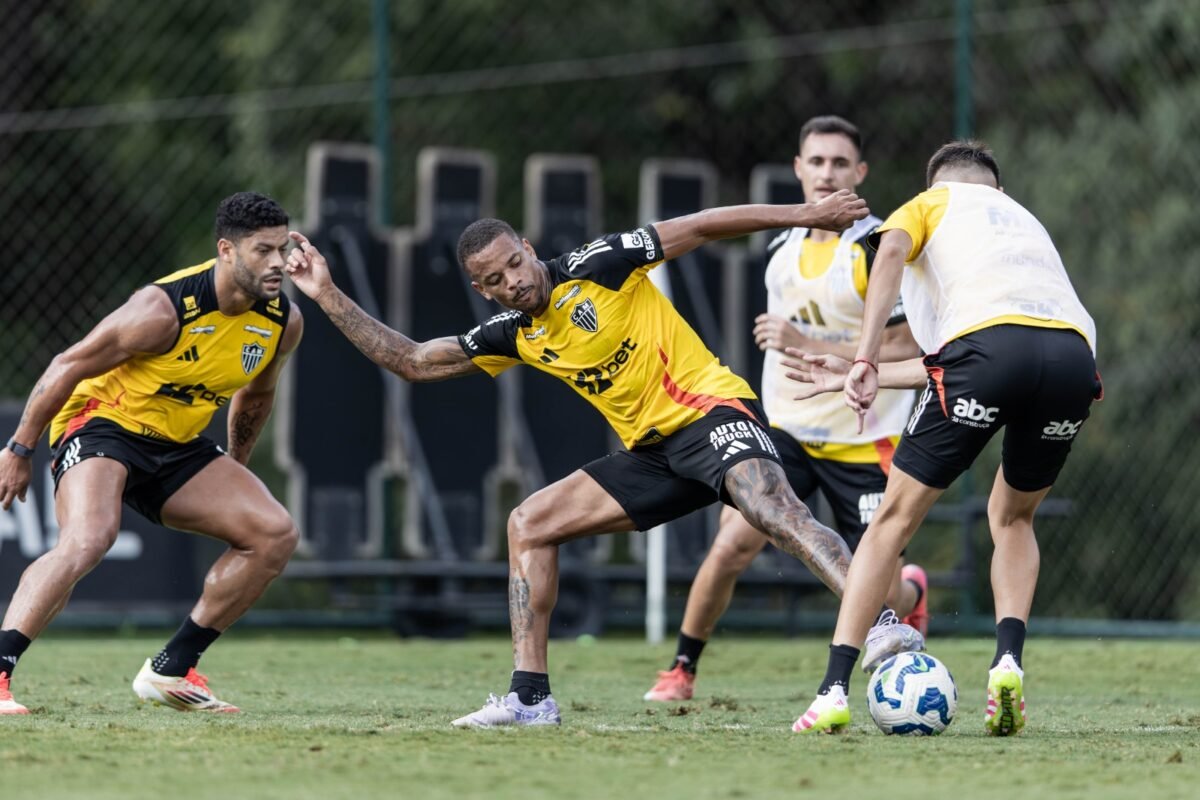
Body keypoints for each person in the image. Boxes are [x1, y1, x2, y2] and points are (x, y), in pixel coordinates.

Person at [283, 190, 925, 728]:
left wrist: (807, 213)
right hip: (652, 455)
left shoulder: (599, 264)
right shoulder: (515, 334)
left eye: (515, 263)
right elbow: (413, 361)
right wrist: (326, 293)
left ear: (527, 248)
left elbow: (703, 225)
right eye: (495, 280)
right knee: (528, 524)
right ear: (482, 290)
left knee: (772, 509)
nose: (513, 281)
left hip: (710, 414)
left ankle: (880, 622)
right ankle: (530, 698)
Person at [792, 141, 1100, 736]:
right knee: (1013, 517)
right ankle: (1007, 662)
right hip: (1072, 361)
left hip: (988, 353)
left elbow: (894, 257)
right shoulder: (1023, 222)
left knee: (891, 523)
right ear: (998, 190)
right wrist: (867, 371)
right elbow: (964, 361)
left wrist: (864, 358)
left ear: (937, 186)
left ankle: (832, 690)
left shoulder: (930, 205)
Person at [643, 115, 928, 704]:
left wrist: (807, 343)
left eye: (840, 163)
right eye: (816, 161)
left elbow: (907, 348)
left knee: (879, 591)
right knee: (730, 545)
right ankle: (680, 669)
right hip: (787, 430)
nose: (827, 173)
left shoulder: (875, 248)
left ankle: (912, 595)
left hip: (864, 438)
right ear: (798, 169)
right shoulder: (779, 246)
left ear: (860, 173)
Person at [0, 192, 303, 715]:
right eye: (263, 251)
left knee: (274, 534)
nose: (278, 262)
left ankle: (171, 669)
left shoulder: (282, 321)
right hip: (103, 423)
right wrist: (19, 448)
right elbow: (67, 364)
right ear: (226, 251)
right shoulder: (163, 309)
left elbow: (256, 394)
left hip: (177, 443)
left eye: (283, 248)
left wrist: (234, 466)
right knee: (90, 537)